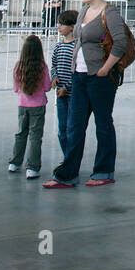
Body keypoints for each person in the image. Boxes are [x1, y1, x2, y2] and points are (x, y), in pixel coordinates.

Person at [43, 0, 130, 189]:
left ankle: (103, 170)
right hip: (79, 77)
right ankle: (67, 174)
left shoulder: (109, 13)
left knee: (103, 124)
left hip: (100, 78)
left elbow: (120, 43)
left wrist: (105, 69)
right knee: (74, 126)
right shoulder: (83, 11)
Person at [8, 34, 51, 179]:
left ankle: (14, 163)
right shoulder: (42, 67)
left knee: (21, 133)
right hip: (38, 106)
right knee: (35, 136)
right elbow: (47, 87)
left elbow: (15, 89)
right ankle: (32, 167)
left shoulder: (18, 66)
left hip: (22, 104)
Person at [49, 9, 78, 158]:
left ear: (72, 26)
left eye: (62, 24)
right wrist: (54, 77)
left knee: (71, 128)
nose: (59, 27)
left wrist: (66, 88)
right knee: (62, 129)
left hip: (72, 95)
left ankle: (71, 159)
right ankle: (67, 157)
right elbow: (54, 64)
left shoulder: (76, 47)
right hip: (60, 95)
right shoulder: (59, 46)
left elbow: (77, 72)